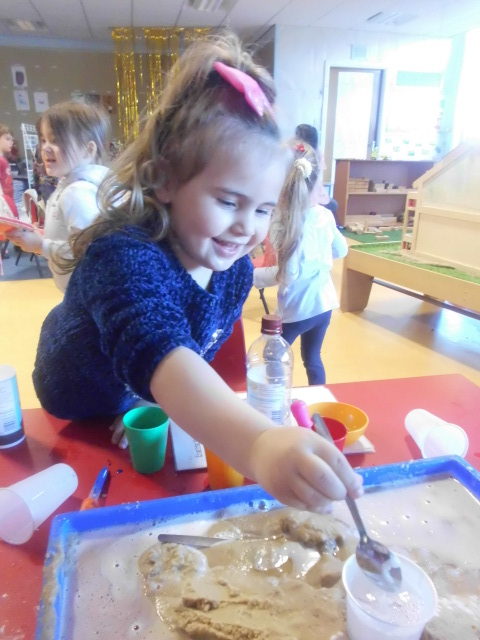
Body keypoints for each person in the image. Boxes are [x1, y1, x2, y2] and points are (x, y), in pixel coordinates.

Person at [32, 33, 362, 512]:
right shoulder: (122, 255)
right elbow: (158, 345)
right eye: (228, 201)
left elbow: (194, 350)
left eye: (263, 209)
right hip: (75, 401)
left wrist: (157, 399)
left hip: (146, 389)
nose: (246, 227)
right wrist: (258, 443)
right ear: (165, 180)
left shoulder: (233, 272)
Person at [254, 140, 348, 385]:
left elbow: (288, 274)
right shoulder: (325, 214)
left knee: (272, 357)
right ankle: (319, 396)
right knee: (313, 358)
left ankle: (275, 399)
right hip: (324, 304)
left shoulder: (282, 222)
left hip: (297, 309)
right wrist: (318, 260)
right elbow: (341, 250)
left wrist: (251, 276)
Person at [6, 102, 110, 291]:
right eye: (44, 140)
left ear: (88, 150)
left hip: (86, 295)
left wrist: (40, 245)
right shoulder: (73, 185)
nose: (45, 148)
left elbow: (90, 250)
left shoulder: (77, 192)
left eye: (56, 140)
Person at [294, 123, 341, 226]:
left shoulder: (297, 152)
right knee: (332, 205)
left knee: (332, 205)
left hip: (304, 197)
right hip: (304, 198)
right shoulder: (314, 154)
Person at [0, 123, 19, 219]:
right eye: (7, 139)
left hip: (9, 203)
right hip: (4, 208)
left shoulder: (3, 159)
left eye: (12, 140)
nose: (11, 142)